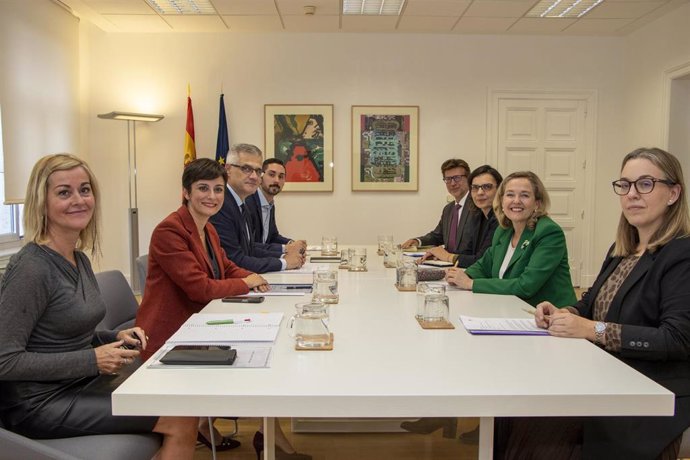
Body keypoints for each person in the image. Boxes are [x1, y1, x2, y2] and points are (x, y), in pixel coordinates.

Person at [0, 153, 197, 459]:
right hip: (38, 403)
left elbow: (70, 333)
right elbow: (5, 361)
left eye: (85, 189)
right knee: (180, 417)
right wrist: (92, 360)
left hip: (81, 384)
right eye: (64, 192)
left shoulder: (79, 259)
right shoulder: (30, 268)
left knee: (180, 399)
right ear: (42, 202)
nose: (78, 200)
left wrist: (113, 338)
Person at [506, 147, 690, 459]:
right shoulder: (624, 248)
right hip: (608, 376)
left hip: (652, 390)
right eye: (624, 184)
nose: (631, 194)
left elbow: (676, 339)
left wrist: (594, 329)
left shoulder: (681, 254)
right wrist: (565, 312)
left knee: (537, 432)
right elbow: (591, 301)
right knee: (516, 413)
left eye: (645, 184)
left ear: (673, 193)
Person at [135, 158, 269, 451]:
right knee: (258, 361)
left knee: (265, 351)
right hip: (169, 339)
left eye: (218, 190)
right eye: (203, 189)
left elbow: (225, 266)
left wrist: (252, 276)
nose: (212, 196)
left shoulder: (207, 228)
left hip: (198, 328)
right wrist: (245, 283)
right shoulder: (170, 230)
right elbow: (200, 288)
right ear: (186, 192)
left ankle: (257, 437)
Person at [446, 171, 576, 307]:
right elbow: (484, 266)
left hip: (549, 316)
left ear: (537, 203)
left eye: (524, 195)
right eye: (510, 195)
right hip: (510, 309)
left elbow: (526, 286)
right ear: (502, 201)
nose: (516, 201)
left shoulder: (548, 232)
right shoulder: (504, 230)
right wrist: (457, 275)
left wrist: (470, 283)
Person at [210, 144, 305, 274]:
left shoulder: (241, 202)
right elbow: (234, 259)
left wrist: (284, 255)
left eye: (258, 171)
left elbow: (249, 248)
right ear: (228, 170)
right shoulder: (221, 204)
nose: (254, 176)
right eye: (246, 169)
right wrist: (285, 262)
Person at [401, 159, 475, 263]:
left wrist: (448, 256)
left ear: (469, 178)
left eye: (457, 178)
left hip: (466, 266)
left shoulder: (477, 206)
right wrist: (417, 241)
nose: (452, 183)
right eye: (448, 179)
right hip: (446, 264)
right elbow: (438, 236)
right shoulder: (449, 209)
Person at [246, 158, 307, 255]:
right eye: (271, 174)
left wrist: (292, 243)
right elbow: (249, 245)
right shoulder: (248, 202)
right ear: (260, 177)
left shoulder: (270, 204)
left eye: (281, 176)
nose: (276, 180)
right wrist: (285, 249)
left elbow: (272, 237)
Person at [449, 165, 502, 268]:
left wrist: (447, 257)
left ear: (500, 189)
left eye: (487, 187)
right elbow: (467, 252)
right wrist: (438, 257)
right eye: (475, 188)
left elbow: (481, 260)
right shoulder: (478, 216)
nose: (480, 192)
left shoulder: (501, 220)